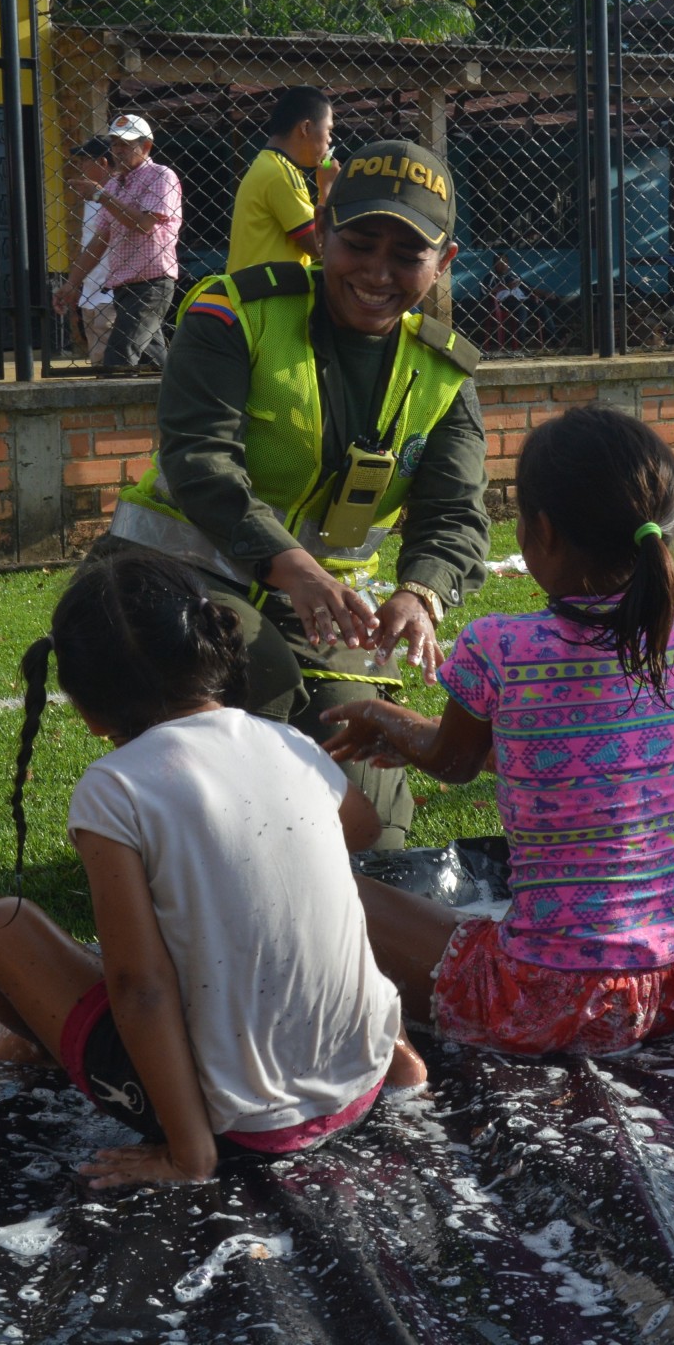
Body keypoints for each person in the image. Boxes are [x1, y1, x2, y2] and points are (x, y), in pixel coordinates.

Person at [0, 550, 422, 1185]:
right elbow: (363, 830)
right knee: (325, 895)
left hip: (240, 1124)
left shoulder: (114, 788)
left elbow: (139, 986)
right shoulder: (285, 740)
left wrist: (190, 1154)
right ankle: (403, 1058)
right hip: (365, 1078)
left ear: (87, 708)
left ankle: (41, 1049)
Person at [101, 140, 490, 849]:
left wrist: (420, 594)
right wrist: (295, 568)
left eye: (407, 256)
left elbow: (456, 515)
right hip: (169, 578)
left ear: (444, 263)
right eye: (359, 243)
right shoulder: (232, 312)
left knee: (371, 828)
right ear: (323, 231)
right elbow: (201, 460)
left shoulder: (444, 370)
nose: (377, 272)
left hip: (320, 611)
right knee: (264, 687)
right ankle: (166, 834)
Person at [318, 405, 674, 1055]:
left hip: (551, 998)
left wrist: (384, 717)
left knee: (319, 882)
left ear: (541, 532)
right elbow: (577, 756)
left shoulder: (500, 646)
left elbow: (449, 761)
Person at [80, 113, 181, 373]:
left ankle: (111, 409)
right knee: (156, 362)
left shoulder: (161, 176)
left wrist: (100, 195)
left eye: (126, 144)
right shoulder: (114, 184)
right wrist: (71, 284)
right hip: (123, 286)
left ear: (146, 146)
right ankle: (180, 397)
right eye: (115, 144)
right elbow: (100, 239)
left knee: (118, 357)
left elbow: (144, 224)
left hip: (152, 283)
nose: (118, 151)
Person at [227, 86, 339, 271]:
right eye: (328, 130)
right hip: (267, 298)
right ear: (306, 127)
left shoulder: (268, 164)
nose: (330, 140)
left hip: (252, 294)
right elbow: (320, 247)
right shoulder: (281, 174)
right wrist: (327, 187)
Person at [55, 138, 116, 364]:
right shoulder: (92, 199)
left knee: (112, 362)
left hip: (111, 294)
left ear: (102, 162)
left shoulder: (118, 197)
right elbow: (90, 245)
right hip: (91, 294)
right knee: (98, 361)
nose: (80, 167)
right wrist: (78, 285)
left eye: (84, 161)